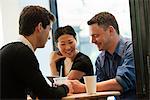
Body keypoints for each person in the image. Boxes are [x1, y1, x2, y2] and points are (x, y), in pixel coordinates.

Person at [0, 5, 73, 99]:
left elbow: (35, 89)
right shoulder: (23, 53)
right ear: (39, 27)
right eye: (49, 29)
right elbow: (47, 95)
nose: (49, 37)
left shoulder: (10, 49)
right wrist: (66, 87)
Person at [70, 12, 136, 99]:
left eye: (96, 36)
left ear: (110, 31)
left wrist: (84, 88)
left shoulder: (132, 49)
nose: (92, 41)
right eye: (91, 36)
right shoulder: (100, 60)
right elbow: (100, 93)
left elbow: (123, 82)